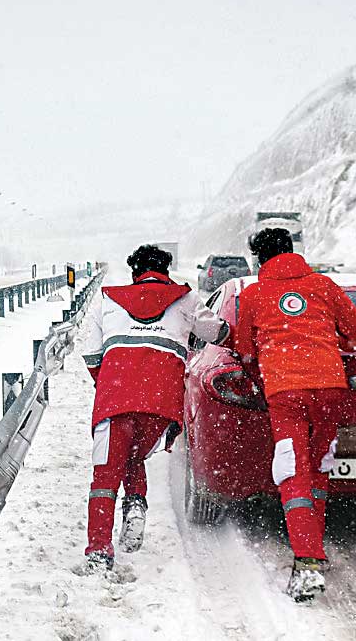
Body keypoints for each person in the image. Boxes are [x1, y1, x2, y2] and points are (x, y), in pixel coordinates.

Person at [233, 228, 356, 602]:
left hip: (285, 392)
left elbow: (244, 348)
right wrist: (328, 346)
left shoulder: (254, 294)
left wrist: (271, 352)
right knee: (319, 468)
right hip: (330, 388)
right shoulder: (323, 285)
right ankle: (314, 548)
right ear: (292, 251)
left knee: (292, 473)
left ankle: (307, 561)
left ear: (260, 260)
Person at [77, 244, 230, 574]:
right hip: (161, 403)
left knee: (105, 476)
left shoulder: (107, 300)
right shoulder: (186, 299)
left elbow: (90, 356)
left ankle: (99, 551)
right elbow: (216, 332)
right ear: (166, 271)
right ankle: (135, 505)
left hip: (114, 399)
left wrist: (107, 384)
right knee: (134, 455)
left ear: (135, 273)